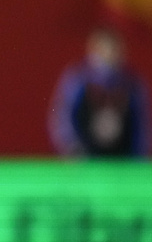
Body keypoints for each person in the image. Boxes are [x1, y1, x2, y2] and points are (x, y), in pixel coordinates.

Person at [48, 25, 151, 157]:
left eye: (113, 49)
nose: (108, 55)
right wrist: (71, 147)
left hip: (123, 160)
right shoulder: (78, 79)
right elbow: (62, 115)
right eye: (103, 50)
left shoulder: (133, 83)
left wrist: (139, 156)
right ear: (92, 50)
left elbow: (142, 123)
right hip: (85, 157)